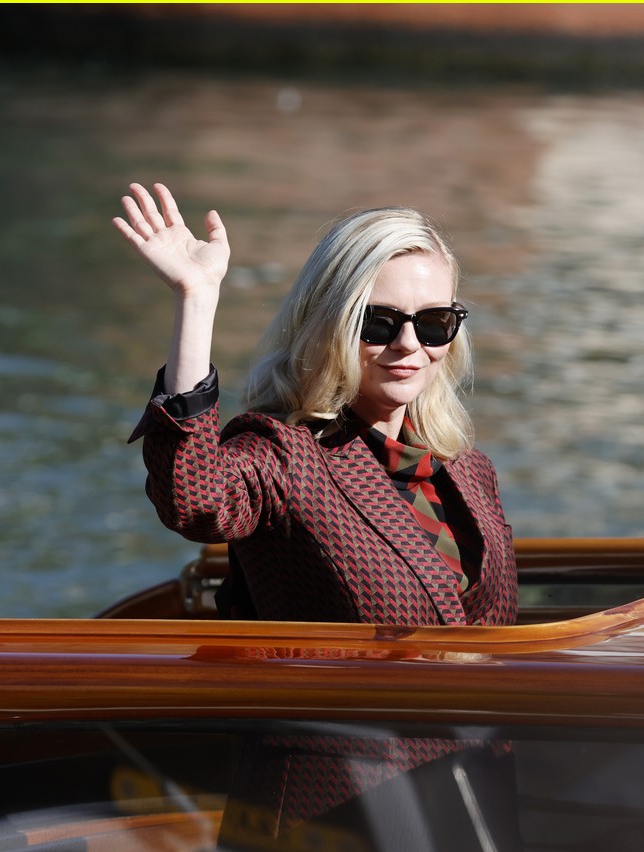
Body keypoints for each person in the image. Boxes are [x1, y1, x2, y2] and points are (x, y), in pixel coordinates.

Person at [115, 183, 517, 626]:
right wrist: (196, 297)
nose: (408, 344)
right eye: (378, 323)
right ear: (329, 324)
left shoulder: (469, 470)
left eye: (433, 322)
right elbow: (193, 501)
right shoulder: (283, 456)